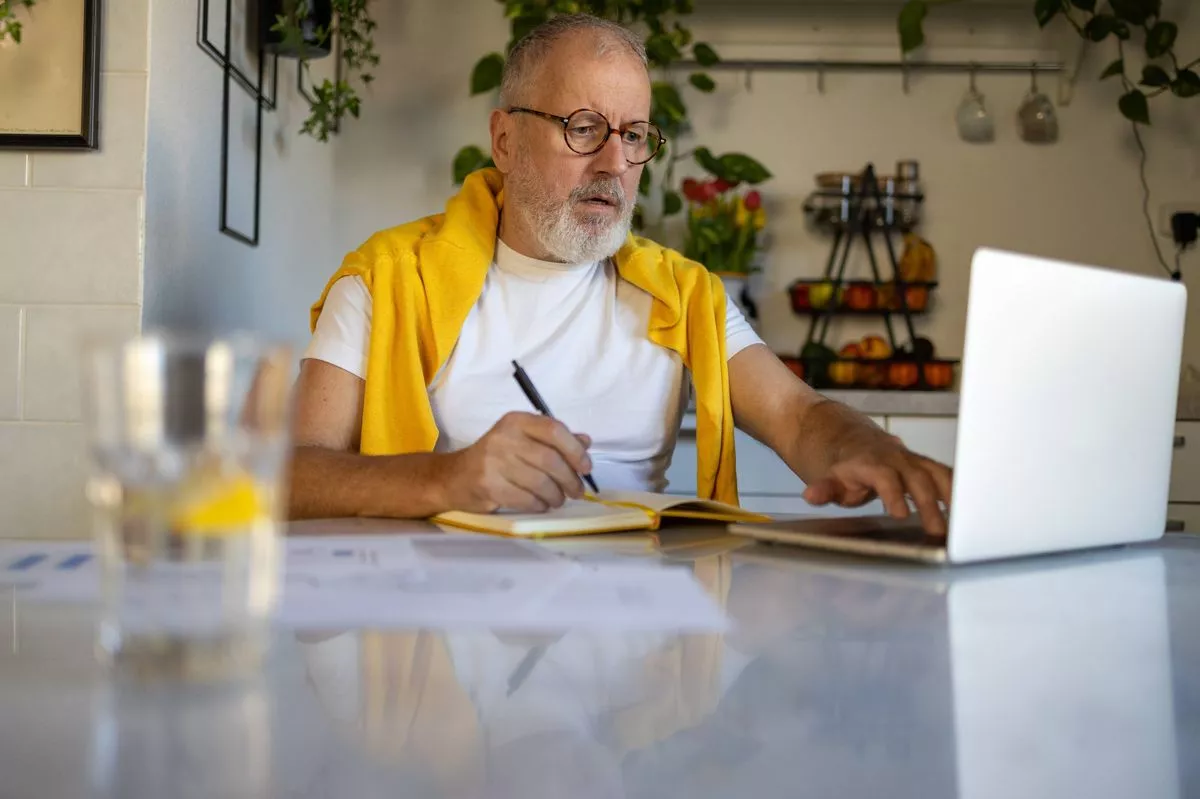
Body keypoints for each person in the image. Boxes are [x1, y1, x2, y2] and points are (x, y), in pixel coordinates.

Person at [289, 13, 952, 534]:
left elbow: (798, 414)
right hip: (435, 640)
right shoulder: (387, 280)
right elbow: (289, 476)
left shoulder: (684, 294)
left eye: (634, 135)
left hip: (638, 644)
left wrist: (868, 444)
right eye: (584, 128)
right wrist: (444, 479)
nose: (614, 162)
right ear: (505, 140)